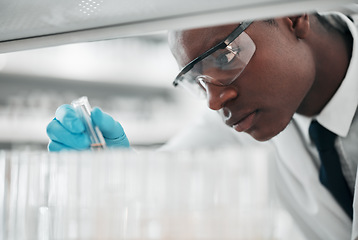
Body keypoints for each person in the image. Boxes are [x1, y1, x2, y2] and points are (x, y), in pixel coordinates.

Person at [46, 10, 358, 240]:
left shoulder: (265, 104)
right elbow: (171, 171)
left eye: (225, 57)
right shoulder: (249, 119)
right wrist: (115, 168)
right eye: (199, 81)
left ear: (293, 16)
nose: (214, 101)